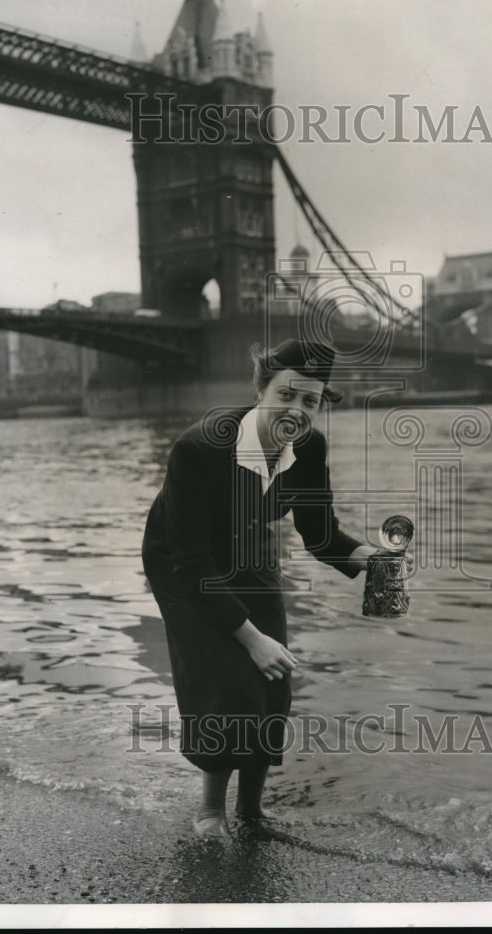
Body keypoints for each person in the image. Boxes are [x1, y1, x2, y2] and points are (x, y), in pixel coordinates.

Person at [141, 338, 372, 837]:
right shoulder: (198, 446)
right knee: (228, 677)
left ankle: (251, 812)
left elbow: (322, 535)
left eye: (310, 401)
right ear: (261, 389)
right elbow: (193, 563)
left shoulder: (310, 448)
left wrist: (372, 560)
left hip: (248, 544)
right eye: (286, 394)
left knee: (273, 679)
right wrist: (249, 636)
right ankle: (210, 813)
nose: (296, 410)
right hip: (182, 561)